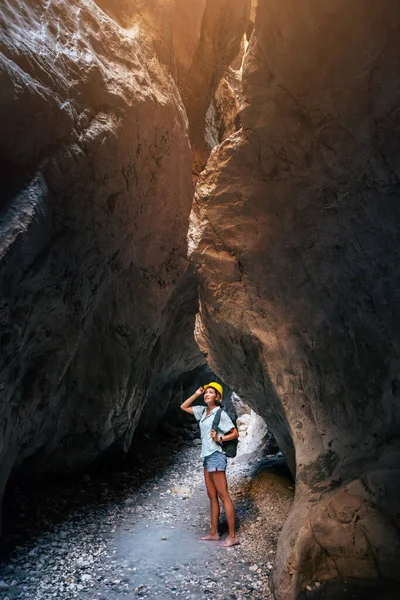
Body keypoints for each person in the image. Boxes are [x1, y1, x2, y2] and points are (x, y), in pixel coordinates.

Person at [180, 382, 240, 547]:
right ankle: (214, 533)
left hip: (216, 456)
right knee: (211, 495)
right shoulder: (202, 411)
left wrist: (220, 438)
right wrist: (197, 393)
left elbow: (235, 432)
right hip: (206, 457)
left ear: (217, 397)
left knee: (223, 495)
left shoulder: (219, 414)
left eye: (210, 392)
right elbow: (183, 406)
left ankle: (233, 536)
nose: (207, 394)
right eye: (206, 392)